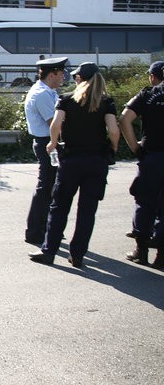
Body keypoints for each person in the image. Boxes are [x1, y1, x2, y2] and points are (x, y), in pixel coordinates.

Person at [29, 62, 119, 267]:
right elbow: (113, 130)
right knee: (87, 211)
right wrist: (112, 148)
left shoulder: (67, 99)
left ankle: (48, 251)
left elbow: (56, 123)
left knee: (59, 207)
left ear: (80, 79)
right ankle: (77, 255)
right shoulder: (106, 102)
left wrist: (52, 143)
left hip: (71, 160)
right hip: (96, 161)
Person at [119, 61, 164, 267]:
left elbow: (124, 119)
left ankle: (141, 251)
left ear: (153, 77)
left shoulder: (147, 94)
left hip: (152, 156)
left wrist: (135, 147)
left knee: (144, 202)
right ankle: (162, 256)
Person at [23, 57, 67, 245]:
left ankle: (46, 228)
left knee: (51, 188)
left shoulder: (49, 92)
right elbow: (55, 125)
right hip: (47, 144)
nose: (63, 76)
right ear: (52, 74)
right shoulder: (41, 94)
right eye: (61, 73)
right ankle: (35, 231)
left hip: (50, 143)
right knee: (46, 187)